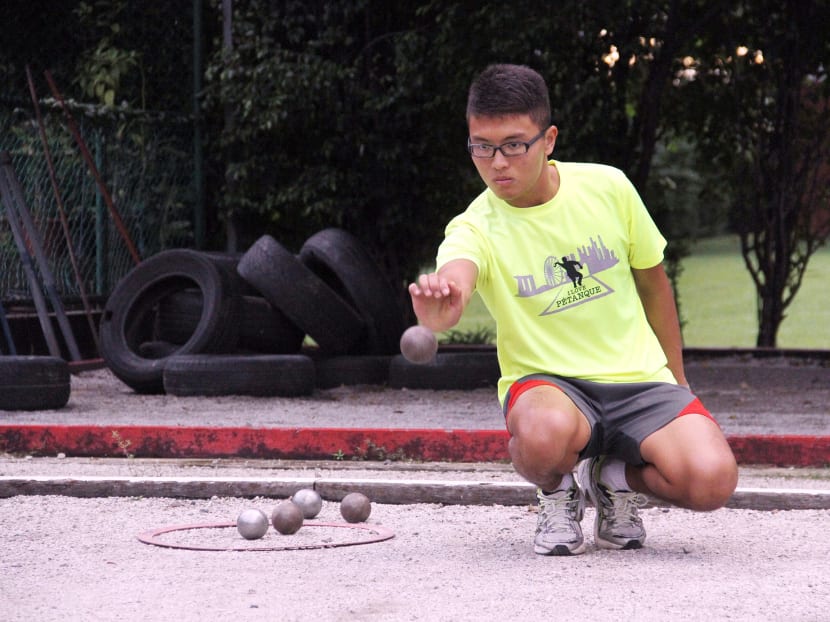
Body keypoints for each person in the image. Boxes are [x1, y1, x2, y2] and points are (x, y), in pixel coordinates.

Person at [408, 63, 738, 556]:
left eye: (514, 144)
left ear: (549, 140)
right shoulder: (473, 226)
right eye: (482, 146)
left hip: (639, 379)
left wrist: (678, 380)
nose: (498, 163)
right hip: (550, 386)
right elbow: (457, 276)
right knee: (544, 437)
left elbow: (654, 285)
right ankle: (557, 491)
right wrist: (441, 310)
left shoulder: (609, 188)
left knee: (712, 480)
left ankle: (610, 475)